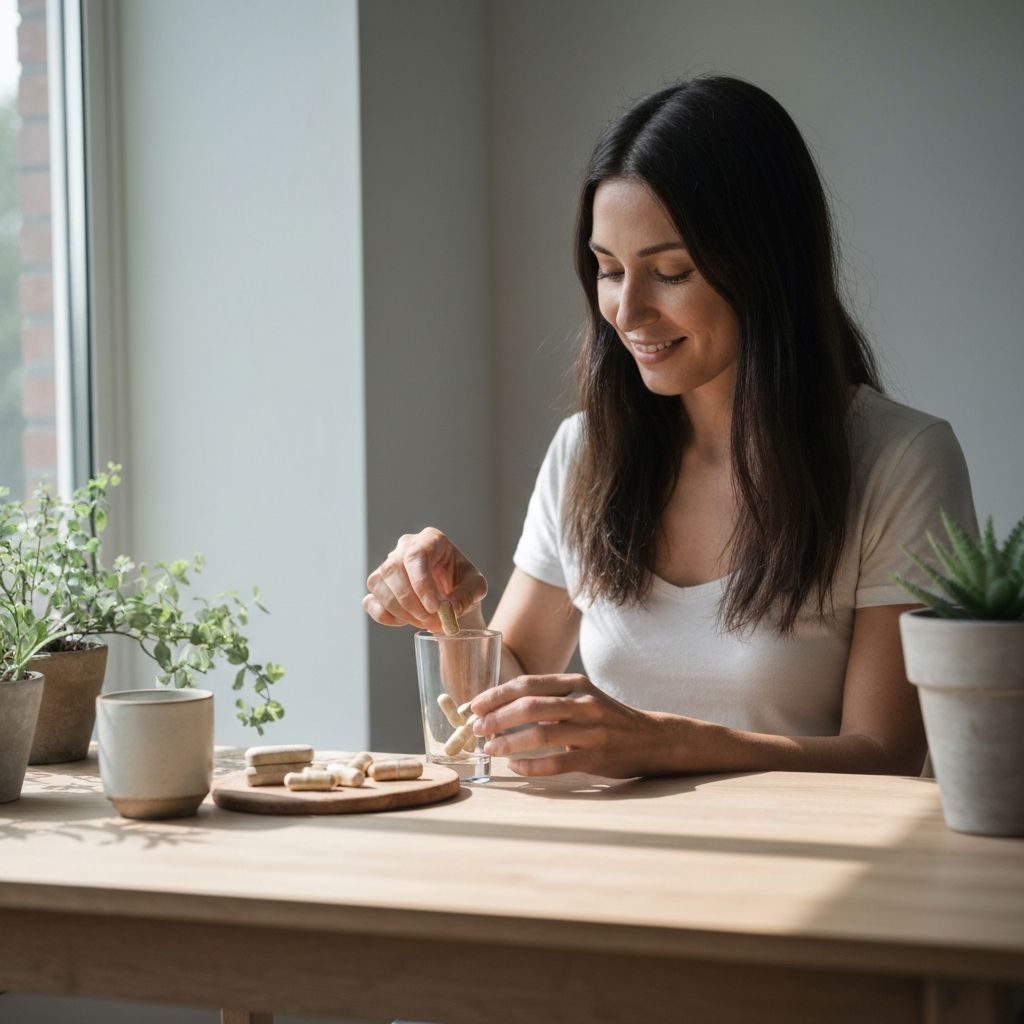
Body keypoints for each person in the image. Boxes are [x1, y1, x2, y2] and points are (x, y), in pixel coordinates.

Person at [362, 76, 976, 780]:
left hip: (814, 877)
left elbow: (888, 755)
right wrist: (455, 617)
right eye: (607, 269)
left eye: (671, 272)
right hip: (615, 872)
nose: (627, 311)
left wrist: (663, 743)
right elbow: (505, 698)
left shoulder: (900, 460)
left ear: (765, 266)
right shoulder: (586, 453)